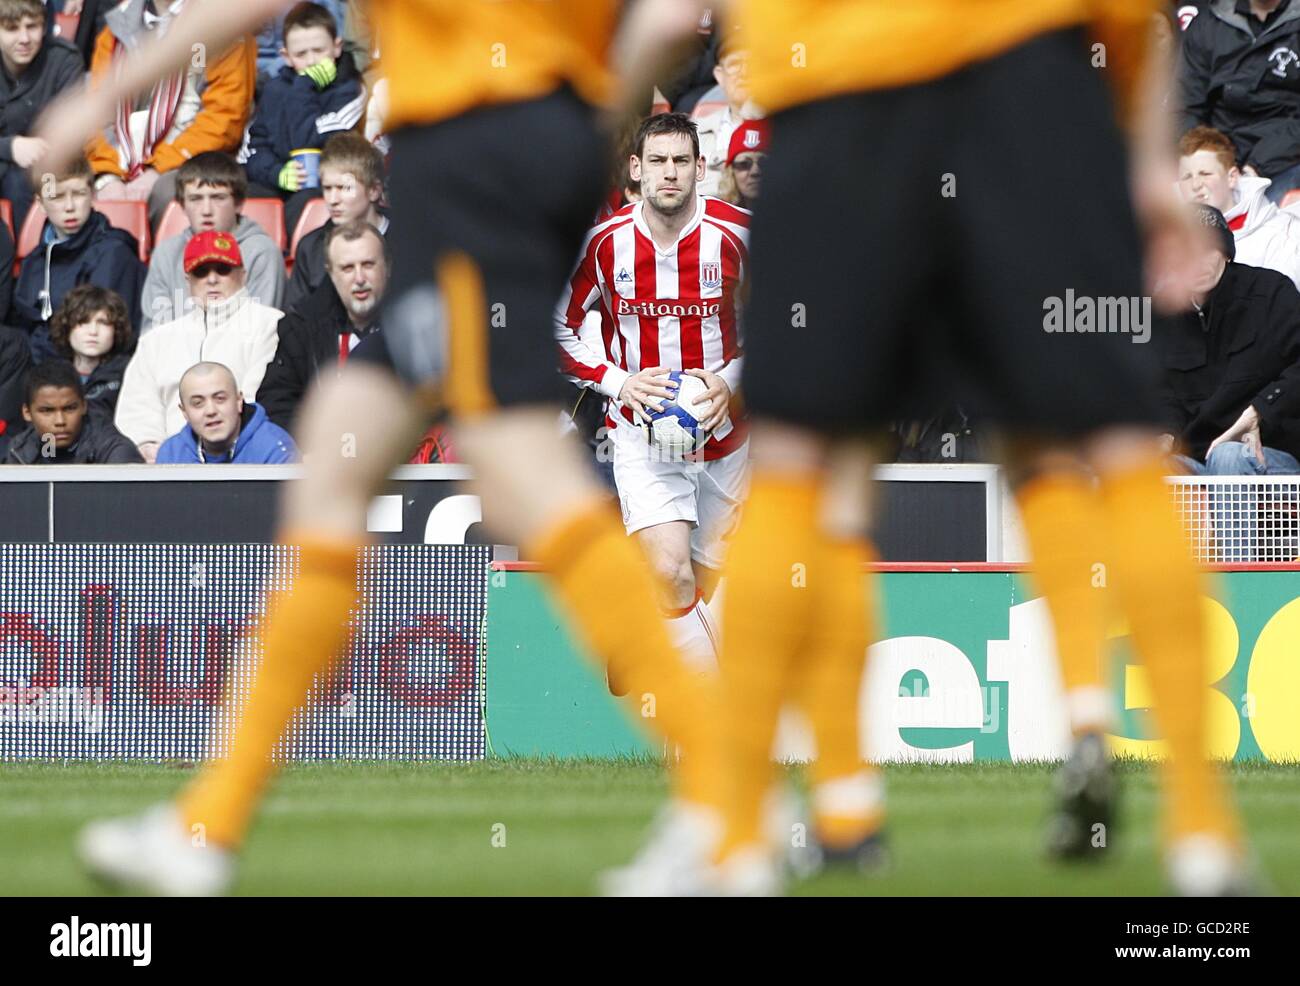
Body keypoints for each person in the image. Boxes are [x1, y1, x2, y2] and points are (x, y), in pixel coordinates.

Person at [43, 0, 721, 898]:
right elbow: (675, 17)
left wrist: (107, 91)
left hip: (473, 146)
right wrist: (579, 115)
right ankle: (205, 826)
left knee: (520, 468)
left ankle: (729, 801)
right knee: (340, 458)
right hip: (501, 150)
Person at [702, 0, 1250, 896]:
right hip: (1031, 94)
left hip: (847, 98)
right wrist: (1146, 168)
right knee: (1100, 446)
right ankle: (1197, 829)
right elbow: (1138, 30)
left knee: (812, 467)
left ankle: (784, 826)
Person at [555, 112, 750, 675]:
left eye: (682, 162)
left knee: (705, 580)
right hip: (642, 433)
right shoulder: (604, 244)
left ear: (700, 169)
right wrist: (619, 382)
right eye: (658, 162)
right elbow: (556, 325)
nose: (670, 174)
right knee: (671, 570)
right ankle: (701, 727)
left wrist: (729, 381)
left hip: (727, 436)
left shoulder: (737, 235)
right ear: (636, 170)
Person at [1160, 204, 1300, 559]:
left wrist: (1261, 411)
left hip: (1276, 460)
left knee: (1228, 456)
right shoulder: (1163, 316)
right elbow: (1159, 396)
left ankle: (1236, 582)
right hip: (1199, 464)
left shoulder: (1271, 292)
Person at [85, 0, 257, 229]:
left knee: (169, 192)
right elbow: (96, 115)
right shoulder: (115, 31)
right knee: (69, 191)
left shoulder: (223, 25)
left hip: (189, 161)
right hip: (121, 159)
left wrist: (157, 169)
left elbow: (225, 117)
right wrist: (107, 175)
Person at [116, 229, 281, 462]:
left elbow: (257, 401)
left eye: (222, 270)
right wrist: (149, 446)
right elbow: (137, 408)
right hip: (165, 466)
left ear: (242, 274)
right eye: (201, 272)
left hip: (243, 459)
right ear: (188, 281)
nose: (212, 279)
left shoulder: (271, 324)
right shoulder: (157, 340)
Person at [241, 2, 365, 235]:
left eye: (319, 51)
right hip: (279, 182)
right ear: (285, 56)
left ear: (337, 47)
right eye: (301, 54)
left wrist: (304, 85)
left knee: (307, 201)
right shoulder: (274, 90)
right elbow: (254, 149)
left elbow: (306, 140)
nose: (311, 62)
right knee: (248, 197)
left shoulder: (349, 89)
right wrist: (277, 173)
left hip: (329, 186)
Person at [12, 155, 145, 363]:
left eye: (78, 194)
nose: (69, 206)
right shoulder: (34, 262)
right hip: (38, 369)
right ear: (41, 203)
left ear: (92, 194)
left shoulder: (114, 253)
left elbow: (107, 337)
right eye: (57, 197)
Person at [259, 218, 384, 431]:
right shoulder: (301, 327)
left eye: (368, 264)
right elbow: (276, 403)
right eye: (347, 268)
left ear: (387, 268)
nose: (359, 278)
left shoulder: (413, 323)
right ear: (331, 274)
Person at [141, 152, 286, 332]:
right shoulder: (166, 253)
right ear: (182, 205)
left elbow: (262, 333)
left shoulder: (262, 252)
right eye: (196, 199)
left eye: (218, 198)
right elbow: (152, 335)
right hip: (175, 357)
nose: (206, 210)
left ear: (239, 203)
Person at [1178, 0, 1300, 204]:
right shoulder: (1210, 22)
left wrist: (1256, 166)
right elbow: (1186, 106)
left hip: (1285, 154)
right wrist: (1205, 156)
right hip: (1219, 150)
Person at [1177, 125, 1300, 287]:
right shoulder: (1168, 244)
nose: (1195, 184)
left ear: (1232, 177)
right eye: (1186, 177)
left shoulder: (1279, 235)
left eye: (1205, 174)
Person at [0, 0, 83, 230]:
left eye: (32, 26)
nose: (24, 38)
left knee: (23, 181)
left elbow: (72, 134)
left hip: (50, 165)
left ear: (45, 26)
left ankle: (28, 258)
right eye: (12, 28)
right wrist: (11, 147)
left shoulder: (64, 59)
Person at [282, 131, 385, 309]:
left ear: (374, 190)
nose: (332, 199)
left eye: (344, 188)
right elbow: (294, 321)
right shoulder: (311, 247)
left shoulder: (406, 239)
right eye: (327, 188)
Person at [156, 360, 297, 463]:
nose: (211, 411)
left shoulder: (274, 448)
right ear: (184, 412)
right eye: (198, 403)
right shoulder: (170, 454)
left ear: (239, 401)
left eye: (220, 399)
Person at [5, 358, 141, 462]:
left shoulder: (114, 451)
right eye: (47, 411)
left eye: (69, 408)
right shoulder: (19, 451)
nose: (60, 421)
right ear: (27, 413)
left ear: (84, 406)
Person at [47, 283, 134, 418]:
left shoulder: (131, 372)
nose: (93, 331)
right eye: (83, 322)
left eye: (103, 323)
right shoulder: (49, 374)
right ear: (67, 327)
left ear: (116, 330)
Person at [692, 32, 760, 198]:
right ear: (720, 75)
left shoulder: (781, 126)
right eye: (735, 64)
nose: (744, 73)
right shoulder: (696, 130)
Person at [716, 116, 767, 209]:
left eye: (763, 163)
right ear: (731, 173)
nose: (755, 172)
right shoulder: (718, 219)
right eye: (744, 164)